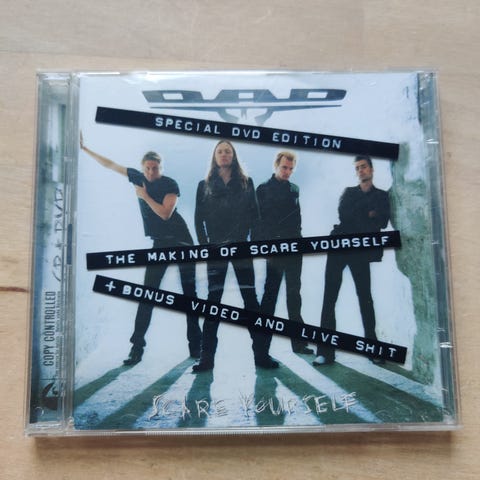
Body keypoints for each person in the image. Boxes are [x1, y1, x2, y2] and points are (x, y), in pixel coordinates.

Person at [79, 133, 201, 365]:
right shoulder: (137, 177)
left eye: (155, 168)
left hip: (182, 243)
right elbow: (110, 164)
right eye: (147, 168)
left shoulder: (170, 184)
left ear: (161, 168)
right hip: (160, 243)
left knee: (189, 295)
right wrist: (85, 149)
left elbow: (165, 214)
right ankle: (137, 348)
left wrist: (144, 195)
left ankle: (196, 346)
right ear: (142, 168)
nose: (151, 172)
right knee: (148, 294)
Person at [193, 140, 277, 372]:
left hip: (241, 248)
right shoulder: (204, 185)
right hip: (215, 249)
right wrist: (205, 245)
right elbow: (198, 219)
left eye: (227, 151)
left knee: (250, 301)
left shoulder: (246, 182)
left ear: (233, 155)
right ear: (215, 156)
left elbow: (255, 217)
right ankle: (206, 359)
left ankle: (261, 355)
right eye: (220, 151)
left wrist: (255, 246)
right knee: (213, 301)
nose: (224, 154)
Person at [314, 155, 390, 365]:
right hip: (339, 246)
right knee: (329, 297)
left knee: (365, 297)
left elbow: (383, 221)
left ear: (371, 169)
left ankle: (372, 349)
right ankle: (325, 352)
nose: (360, 170)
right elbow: (344, 215)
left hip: (360, 251)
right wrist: (369, 214)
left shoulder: (382, 196)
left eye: (363, 167)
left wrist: (365, 215)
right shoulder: (348, 192)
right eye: (357, 168)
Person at [256, 151, 314, 355]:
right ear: (276, 165)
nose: (287, 171)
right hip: (274, 248)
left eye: (290, 168)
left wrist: (299, 241)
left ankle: (299, 344)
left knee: (294, 295)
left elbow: (297, 218)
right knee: (270, 295)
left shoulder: (294, 189)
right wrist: (265, 247)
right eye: (284, 167)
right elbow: (259, 222)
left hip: (294, 247)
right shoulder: (263, 189)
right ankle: (262, 347)